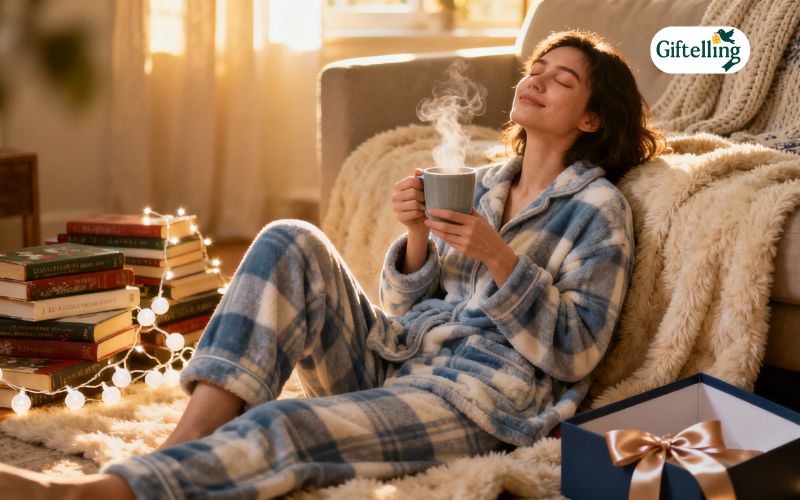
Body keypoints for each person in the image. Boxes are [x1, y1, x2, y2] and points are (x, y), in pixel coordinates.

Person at [0, 30, 663, 499]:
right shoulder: (487, 182)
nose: (536, 80)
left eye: (563, 79)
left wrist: (496, 254)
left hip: (481, 401)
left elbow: (575, 353)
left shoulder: (598, 211)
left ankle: (102, 496)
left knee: (285, 422)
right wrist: (415, 239)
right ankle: (180, 446)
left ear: (594, 118)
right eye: (536, 69)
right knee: (290, 237)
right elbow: (407, 307)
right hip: (397, 360)